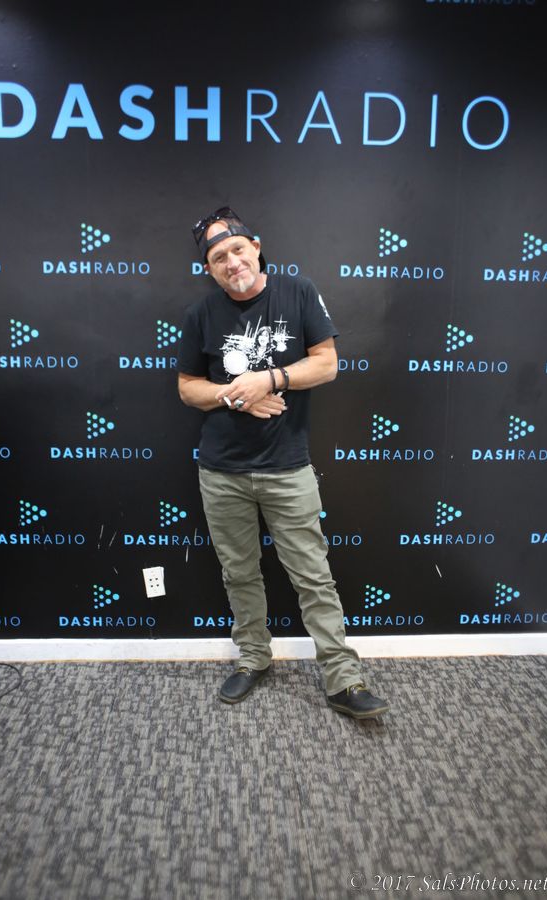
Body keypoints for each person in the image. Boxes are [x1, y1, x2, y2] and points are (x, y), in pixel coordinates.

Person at [177, 207, 389, 719]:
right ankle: (253, 657)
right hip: (221, 471)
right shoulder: (201, 315)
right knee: (239, 572)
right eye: (218, 258)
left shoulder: (298, 292)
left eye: (237, 249)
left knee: (313, 575)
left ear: (255, 247)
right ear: (209, 269)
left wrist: (269, 379)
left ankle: (342, 677)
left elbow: (327, 363)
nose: (231, 262)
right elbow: (188, 389)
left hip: (287, 467)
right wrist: (236, 395)